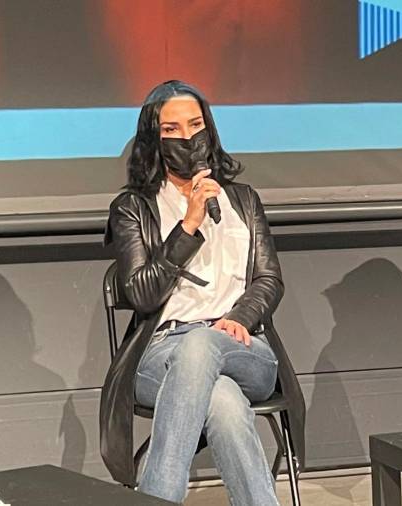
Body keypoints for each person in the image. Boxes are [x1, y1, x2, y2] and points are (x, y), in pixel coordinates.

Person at [99, 80, 290, 505]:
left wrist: (240, 317)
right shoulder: (133, 208)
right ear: (154, 137)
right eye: (171, 129)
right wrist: (187, 227)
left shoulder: (243, 200)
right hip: (161, 353)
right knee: (221, 399)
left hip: (244, 347)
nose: (187, 137)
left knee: (206, 343)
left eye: (195, 124)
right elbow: (142, 294)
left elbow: (269, 279)